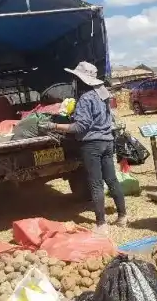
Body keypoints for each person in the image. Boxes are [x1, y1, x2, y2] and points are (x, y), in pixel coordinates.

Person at [39, 62, 127, 235]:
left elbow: (79, 128)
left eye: (76, 78)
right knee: (112, 180)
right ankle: (122, 216)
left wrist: (53, 125)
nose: (74, 81)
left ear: (81, 80)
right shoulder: (103, 94)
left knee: (95, 184)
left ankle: (101, 224)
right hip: (107, 141)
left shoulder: (85, 99)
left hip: (92, 145)